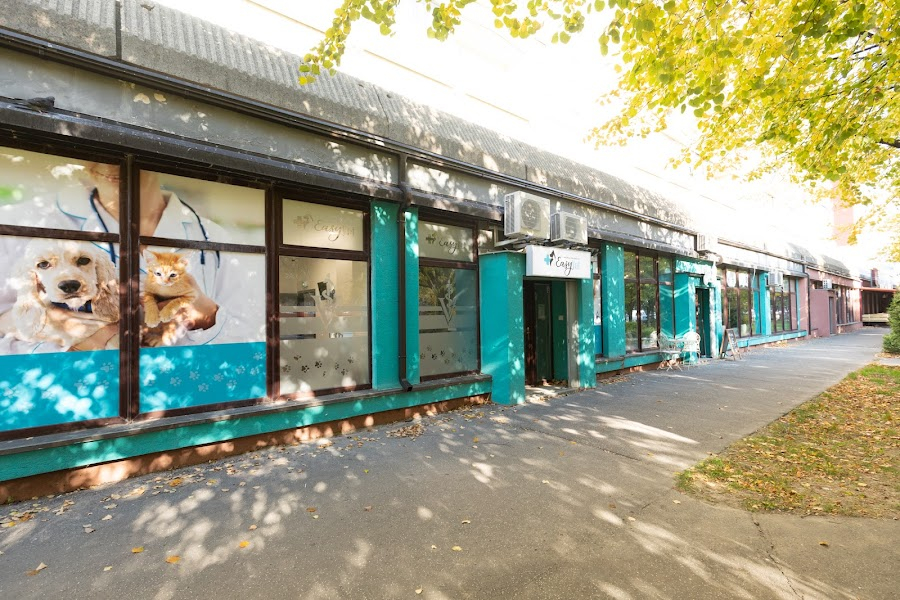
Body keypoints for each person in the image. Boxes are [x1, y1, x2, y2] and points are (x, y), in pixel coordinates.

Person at [0, 160, 263, 354]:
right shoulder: (17, 222)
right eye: (95, 147)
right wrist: (61, 333)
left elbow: (250, 341)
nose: (109, 162)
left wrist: (205, 315)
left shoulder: (215, 239)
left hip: (180, 395)